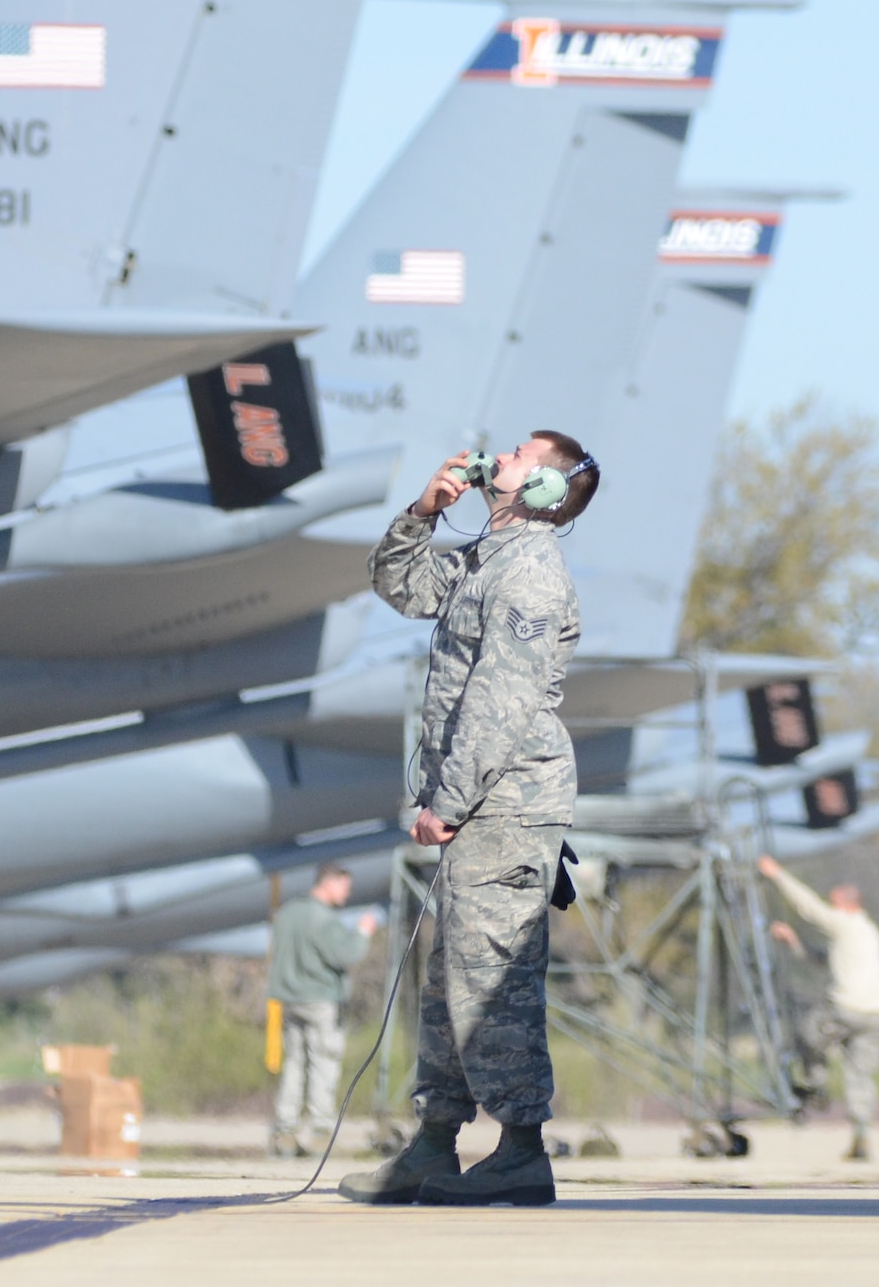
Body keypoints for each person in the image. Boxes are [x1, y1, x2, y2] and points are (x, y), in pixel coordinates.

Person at [340, 433, 598, 1208]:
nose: (499, 455)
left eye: (519, 454)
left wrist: (446, 802)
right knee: (449, 979)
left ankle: (520, 1150)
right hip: (479, 805)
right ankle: (434, 1143)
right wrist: (424, 512)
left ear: (546, 489)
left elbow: (501, 701)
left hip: (505, 806)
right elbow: (400, 586)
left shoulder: (530, 576)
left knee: (494, 977)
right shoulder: (485, 558)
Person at [758, 855, 879, 1161]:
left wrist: (777, 875)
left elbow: (809, 908)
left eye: (834, 904)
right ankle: (861, 1135)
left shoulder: (846, 923)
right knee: (860, 1076)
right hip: (877, 1015)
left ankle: (814, 1085)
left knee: (808, 1032)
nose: (831, 910)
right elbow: (825, 961)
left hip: (847, 1010)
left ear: (846, 904)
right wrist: (793, 940)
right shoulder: (867, 933)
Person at [265, 862, 378, 1156]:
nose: (347, 894)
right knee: (324, 1064)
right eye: (344, 886)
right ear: (329, 883)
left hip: (290, 999)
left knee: (293, 1064)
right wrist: (363, 932)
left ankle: (284, 1131)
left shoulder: (287, 913)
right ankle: (320, 1131)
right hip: (321, 1001)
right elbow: (347, 954)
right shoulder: (324, 919)